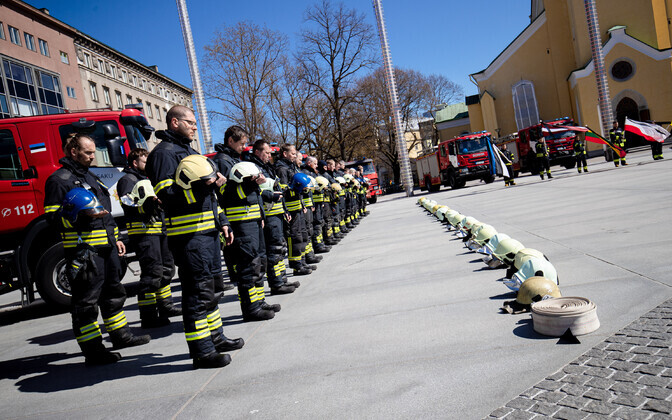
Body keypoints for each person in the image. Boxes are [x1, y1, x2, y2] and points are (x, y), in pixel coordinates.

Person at [146, 105, 243, 369]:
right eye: (190, 122)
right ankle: (202, 352)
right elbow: (167, 196)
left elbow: (210, 197)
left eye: (195, 123)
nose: (194, 127)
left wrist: (222, 221)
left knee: (213, 289)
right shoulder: (164, 154)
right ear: (174, 122)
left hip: (207, 232)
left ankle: (216, 338)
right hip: (189, 237)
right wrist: (201, 187)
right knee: (198, 292)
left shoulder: (189, 151)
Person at [44, 130, 150, 366]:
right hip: (85, 252)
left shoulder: (91, 177)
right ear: (74, 152)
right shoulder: (59, 180)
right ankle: (93, 350)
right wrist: (79, 214)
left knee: (113, 293)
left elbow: (107, 213)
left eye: (93, 152)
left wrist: (116, 237)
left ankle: (121, 336)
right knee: (86, 302)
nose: (93, 156)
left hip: (108, 247)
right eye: (88, 152)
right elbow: (52, 219)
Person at [213, 126, 287, 322]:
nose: (244, 147)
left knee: (258, 262)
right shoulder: (222, 161)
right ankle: (250, 307)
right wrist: (252, 183)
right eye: (242, 143)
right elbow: (226, 194)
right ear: (230, 141)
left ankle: (259, 301)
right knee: (248, 265)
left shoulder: (234, 160)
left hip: (253, 219)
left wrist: (261, 211)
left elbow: (251, 193)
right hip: (241, 222)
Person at [116, 148, 181, 328]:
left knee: (166, 269)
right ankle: (148, 315)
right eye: (145, 162)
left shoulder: (148, 178)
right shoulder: (127, 180)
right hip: (143, 232)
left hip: (159, 229)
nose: (148, 166)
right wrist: (147, 202)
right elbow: (129, 203)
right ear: (135, 163)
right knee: (152, 273)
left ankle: (166, 305)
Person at [246, 139, 301, 291]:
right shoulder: (254, 168)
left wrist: (284, 210)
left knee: (279, 248)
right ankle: (276, 283)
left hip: (277, 212)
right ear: (257, 152)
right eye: (267, 153)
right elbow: (257, 192)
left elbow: (277, 188)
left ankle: (282, 279)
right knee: (273, 250)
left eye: (270, 153)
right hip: (269, 214)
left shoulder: (267, 167)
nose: (269, 156)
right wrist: (270, 196)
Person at [275, 144, 313, 275]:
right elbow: (283, 190)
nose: (295, 156)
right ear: (284, 154)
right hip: (291, 210)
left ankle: (301, 261)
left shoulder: (291, 167)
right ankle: (296, 265)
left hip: (297, 207)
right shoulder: (281, 169)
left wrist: (302, 202)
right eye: (292, 154)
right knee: (294, 237)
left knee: (302, 235)